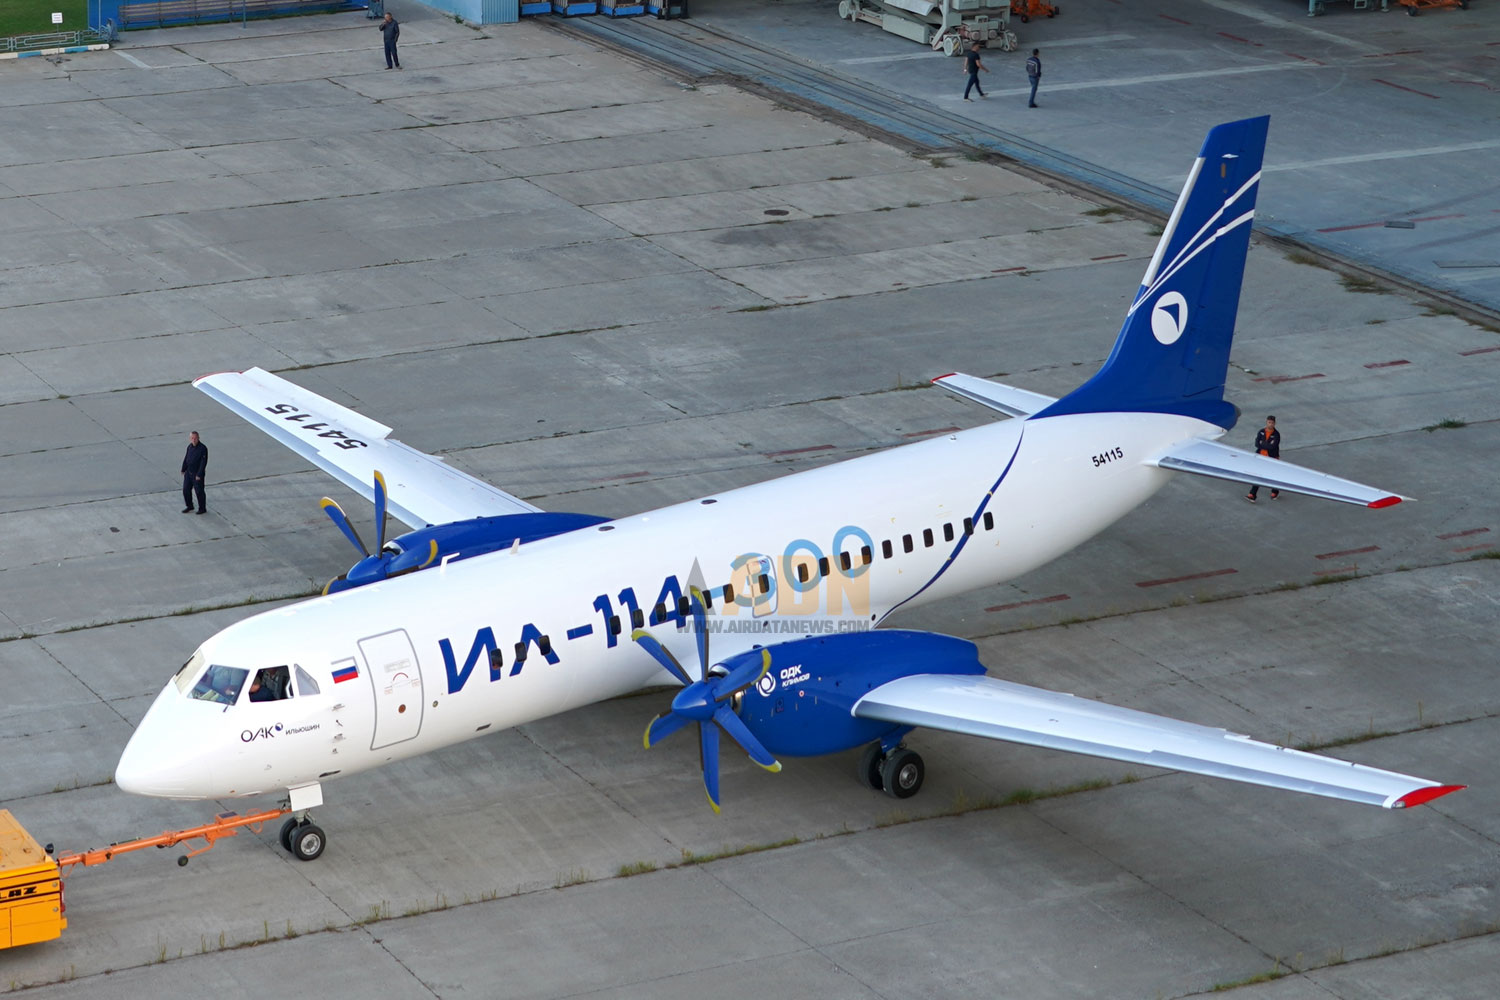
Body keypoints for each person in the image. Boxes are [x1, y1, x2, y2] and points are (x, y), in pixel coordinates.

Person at [1245, 415, 1281, 502]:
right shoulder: (1261, 432)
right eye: (1269, 422)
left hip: (1272, 458)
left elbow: (1272, 447)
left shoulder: (1276, 434)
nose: (1270, 424)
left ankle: (1275, 491)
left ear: (1275, 423)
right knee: (1259, 474)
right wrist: (1266, 444)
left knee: (1273, 475)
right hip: (1261, 457)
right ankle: (1252, 494)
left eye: (1272, 423)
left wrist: (1262, 443)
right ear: (1266, 422)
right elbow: (1257, 444)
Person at [181, 430, 208, 515]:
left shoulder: (203, 448)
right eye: (192, 438)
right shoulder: (189, 447)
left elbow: (203, 463)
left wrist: (199, 474)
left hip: (197, 474)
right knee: (186, 490)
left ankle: (202, 508)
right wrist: (183, 469)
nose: (194, 440)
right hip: (188, 473)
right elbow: (186, 458)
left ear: (198, 438)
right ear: (190, 439)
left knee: (199, 491)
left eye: (195, 438)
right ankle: (190, 506)